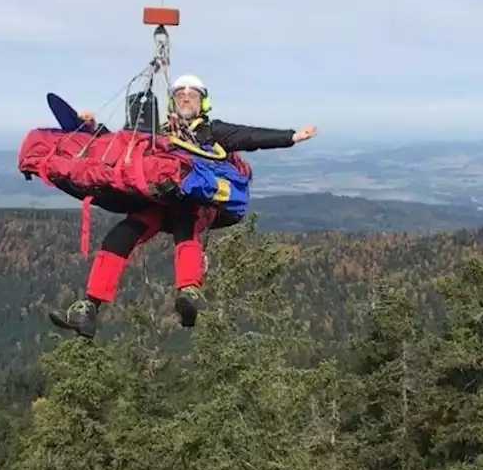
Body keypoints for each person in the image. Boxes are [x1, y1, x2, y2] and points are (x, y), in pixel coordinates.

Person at [49, 74, 318, 338]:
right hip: (162, 200)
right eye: (180, 94)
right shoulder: (160, 134)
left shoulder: (212, 132)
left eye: (192, 95)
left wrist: (290, 136)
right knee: (124, 233)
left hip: (202, 202)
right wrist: (92, 128)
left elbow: (249, 136)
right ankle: (89, 307)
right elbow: (121, 149)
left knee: (185, 221)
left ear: (203, 102)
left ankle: (189, 291)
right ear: (172, 102)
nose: (186, 98)